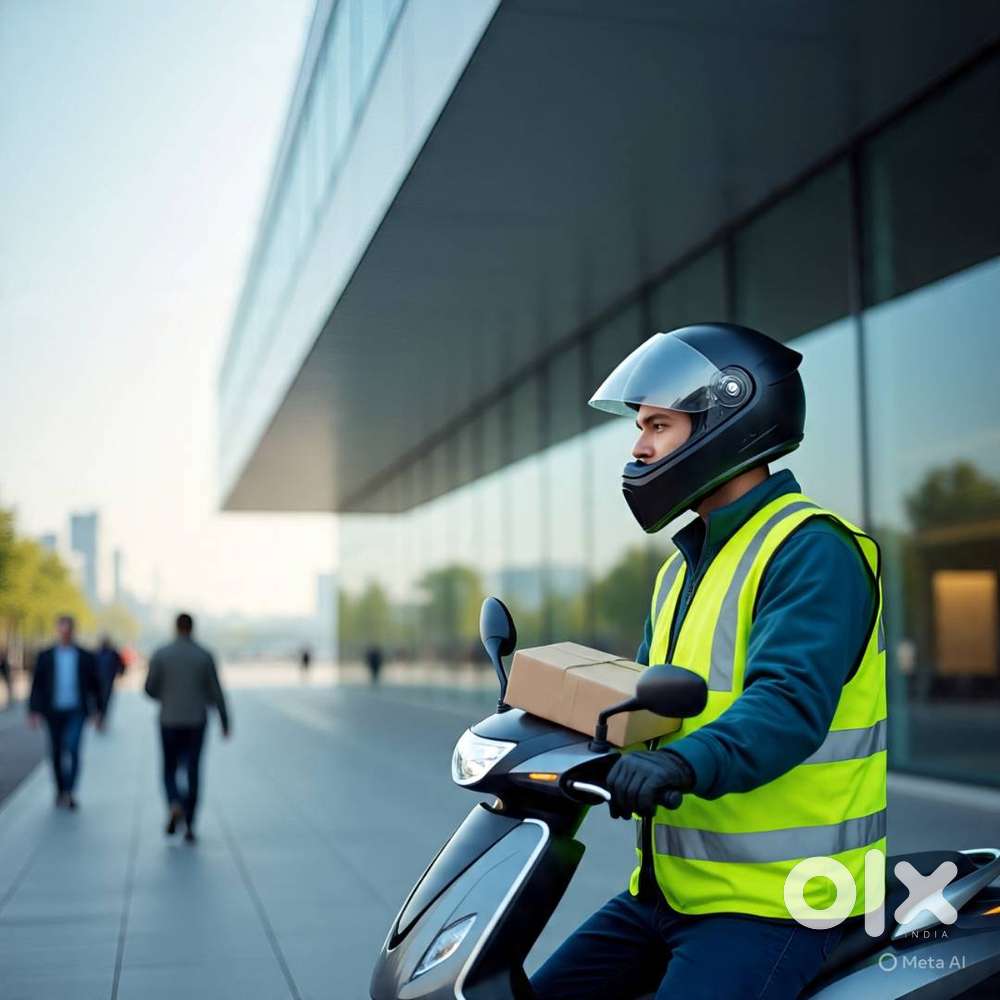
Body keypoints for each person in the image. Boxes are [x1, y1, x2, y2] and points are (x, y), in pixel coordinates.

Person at [531, 324, 886, 999]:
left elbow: (786, 705)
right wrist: (547, 727)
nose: (638, 448)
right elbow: (642, 704)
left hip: (780, 901)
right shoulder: (681, 572)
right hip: (666, 896)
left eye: (658, 425)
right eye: (639, 428)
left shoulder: (809, 548)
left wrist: (678, 763)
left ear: (732, 417)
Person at [144, 612, 230, 843]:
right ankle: (190, 824)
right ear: (193, 628)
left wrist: (168, 695)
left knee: (169, 768)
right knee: (193, 770)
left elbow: (149, 689)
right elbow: (216, 690)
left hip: (169, 720)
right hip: (196, 721)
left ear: (175, 627)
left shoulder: (161, 654)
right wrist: (224, 720)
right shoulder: (204, 655)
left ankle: (174, 802)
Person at [27, 615, 103, 809]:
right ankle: (60, 790)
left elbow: (95, 685)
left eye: (68, 630)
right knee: (56, 752)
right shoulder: (45, 656)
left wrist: (98, 711)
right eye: (62, 630)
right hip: (52, 712)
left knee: (73, 748)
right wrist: (33, 711)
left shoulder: (85, 656)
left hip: (76, 711)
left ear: (73, 631)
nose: (65, 634)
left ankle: (70, 791)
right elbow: (37, 685)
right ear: (57, 631)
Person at [95, 634, 126, 721]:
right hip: (97, 681)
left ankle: (102, 717)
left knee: (105, 700)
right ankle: (99, 716)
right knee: (98, 700)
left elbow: (121, 665)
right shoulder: (97, 652)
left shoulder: (113, 653)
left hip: (108, 680)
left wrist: (120, 673)